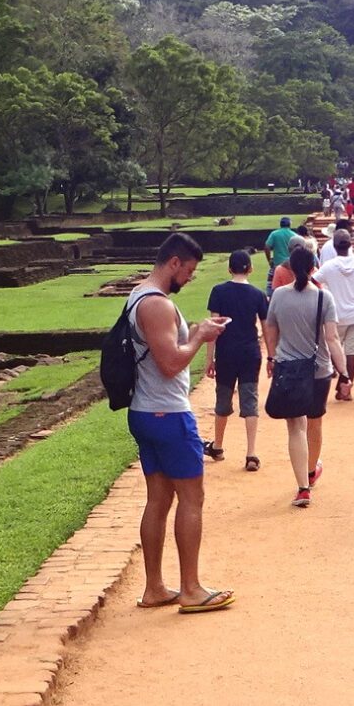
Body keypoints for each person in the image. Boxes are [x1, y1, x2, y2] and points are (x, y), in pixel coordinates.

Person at [125, 232, 232, 614]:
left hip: (146, 412)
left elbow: (163, 349)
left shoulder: (141, 296)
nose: (189, 278)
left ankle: (155, 587)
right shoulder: (155, 305)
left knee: (159, 498)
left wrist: (195, 328)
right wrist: (201, 336)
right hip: (167, 413)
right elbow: (170, 364)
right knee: (191, 497)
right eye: (188, 270)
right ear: (174, 263)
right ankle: (190, 588)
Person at [264, 243, 346, 508]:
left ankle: (302, 487)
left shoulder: (278, 296)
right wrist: (344, 372)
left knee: (295, 428)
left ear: (289, 267)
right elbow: (332, 339)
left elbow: (271, 328)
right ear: (314, 268)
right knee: (315, 423)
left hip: (288, 368)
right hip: (318, 369)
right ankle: (311, 472)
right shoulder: (324, 298)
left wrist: (272, 356)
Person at [203, 248, 270, 470]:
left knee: (223, 399)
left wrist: (209, 359)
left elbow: (214, 328)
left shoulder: (218, 292)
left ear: (229, 268)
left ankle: (219, 446)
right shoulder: (258, 295)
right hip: (250, 353)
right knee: (249, 401)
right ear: (250, 268)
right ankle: (251, 453)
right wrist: (272, 356)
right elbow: (266, 328)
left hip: (226, 353)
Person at [322, 235, 354, 398]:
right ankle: (345, 389)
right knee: (352, 353)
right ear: (350, 245)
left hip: (335, 315)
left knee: (333, 351)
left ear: (335, 246)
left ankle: (338, 381)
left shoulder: (328, 266)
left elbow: (313, 281)